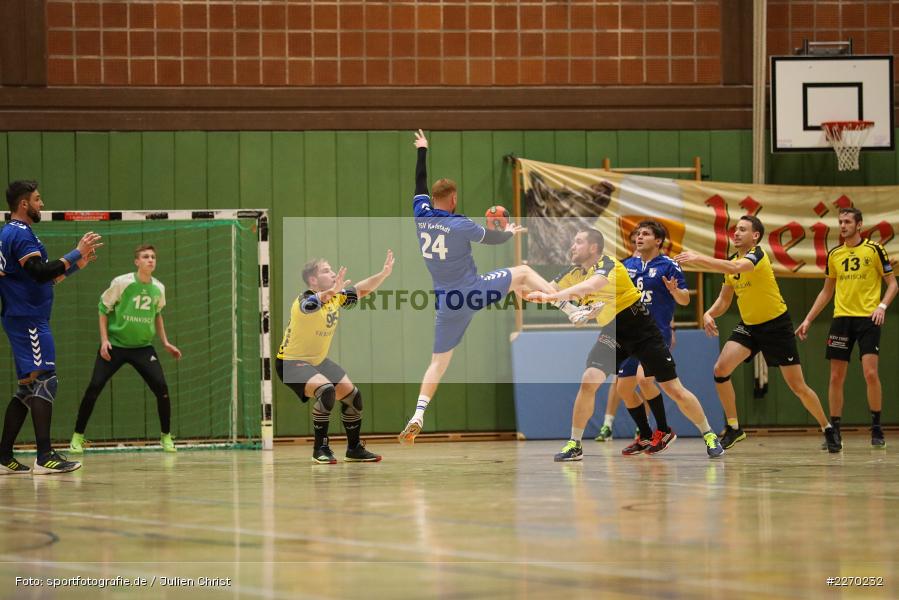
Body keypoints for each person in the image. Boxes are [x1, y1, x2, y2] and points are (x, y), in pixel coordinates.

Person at [398, 130, 581, 445]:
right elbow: (492, 237)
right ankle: (570, 309)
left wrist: (422, 151)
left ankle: (418, 414)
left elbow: (419, 183)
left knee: (438, 362)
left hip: (446, 303)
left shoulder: (421, 215)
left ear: (431, 199)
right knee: (523, 271)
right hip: (472, 290)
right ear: (454, 199)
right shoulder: (460, 224)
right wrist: (509, 231)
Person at [529, 228, 725, 461]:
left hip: (641, 330)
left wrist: (555, 299)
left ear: (593, 247)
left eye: (578, 242)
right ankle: (575, 444)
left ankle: (709, 434)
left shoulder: (609, 265)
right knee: (589, 380)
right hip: (613, 332)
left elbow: (589, 287)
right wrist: (520, 285)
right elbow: (546, 287)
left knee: (674, 389)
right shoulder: (573, 272)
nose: (572, 246)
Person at [675, 215, 840, 452]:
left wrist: (699, 258)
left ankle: (827, 428)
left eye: (743, 229)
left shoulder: (757, 255)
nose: (736, 233)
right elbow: (724, 299)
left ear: (755, 236)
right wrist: (709, 313)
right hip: (750, 326)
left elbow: (735, 267)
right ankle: (734, 428)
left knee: (798, 386)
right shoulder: (731, 263)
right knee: (720, 370)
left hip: (776, 326)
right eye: (735, 229)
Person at [0, 180, 101, 475]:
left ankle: (4, 454)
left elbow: (36, 280)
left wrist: (74, 267)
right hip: (29, 318)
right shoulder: (18, 234)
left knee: (28, 387)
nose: (41, 204)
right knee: (46, 379)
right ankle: (45, 456)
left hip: (25, 314)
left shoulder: (15, 233)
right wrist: (73, 253)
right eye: (37, 199)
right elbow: (40, 273)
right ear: (23, 204)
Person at [277, 251, 394, 463]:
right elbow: (310, 305)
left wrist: (383, 274)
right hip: (290, 363)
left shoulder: (336, 298)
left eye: (332, 269)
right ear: (313, 280)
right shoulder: (304, 300)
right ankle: (320, 449)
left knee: (352, 397)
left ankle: (354, 448)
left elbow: (360, 289)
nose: (332, 273)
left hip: (317, 361)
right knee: (326, 390)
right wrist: (331, 292)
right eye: (326, 270)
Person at [796, 207, 897, 449]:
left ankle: (876, 427)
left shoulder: (874, 250)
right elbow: (826, 291)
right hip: (841, 320)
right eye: (840, 222)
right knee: (835, 376)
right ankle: (835, 430)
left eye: (847, 222)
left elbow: (893, 284)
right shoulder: (835, 254)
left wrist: (882, 306)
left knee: (870, 373)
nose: (842, 226)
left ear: (859, 225)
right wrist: (808, 319)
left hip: (868, 319)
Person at [68, 244, 182, 454]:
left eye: (153, 257)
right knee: (94, 387)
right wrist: (104, 341)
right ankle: (77, 436)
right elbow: (103, 309)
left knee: (162, 390)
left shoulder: (159, 287)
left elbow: (157, 314)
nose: (150, 260)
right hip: (115, 346)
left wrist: (165, 342)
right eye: (145, 257)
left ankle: (166, 437)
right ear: (137, 262)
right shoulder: (122, 283)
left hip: (143, 348)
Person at [602, 221, 690, 453]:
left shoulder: (668, 265)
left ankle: (664, 430)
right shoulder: (625, 265)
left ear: (658, 240)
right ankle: (646, 435)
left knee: (645, 380)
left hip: (655, 333)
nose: (639, 237)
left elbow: (684, 300)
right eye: (637, 234)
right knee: (623, 389)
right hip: (629, 332)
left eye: (645, 234)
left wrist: (674, 291)